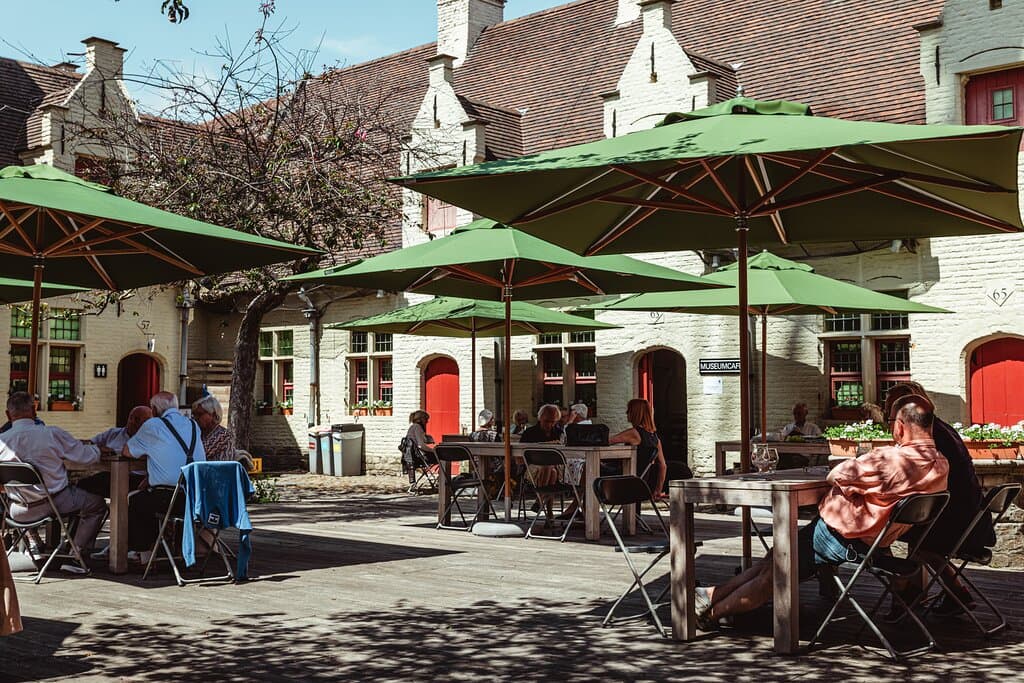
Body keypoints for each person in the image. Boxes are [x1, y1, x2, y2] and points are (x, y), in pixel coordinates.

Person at [694, 395, 949, 630]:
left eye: (892, 421)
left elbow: (835, 475)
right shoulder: (940, 464)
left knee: (778, 571)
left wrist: (852, 486)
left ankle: (711, 612)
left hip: (841, 539)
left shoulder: (891, 460)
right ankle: (710, 595)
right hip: (875, 541)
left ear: (901, 426)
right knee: (776, 557)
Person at [883, 382, 995, 618]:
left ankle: (903, 593)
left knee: (883, 531)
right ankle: (953, 592)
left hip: (956, 522)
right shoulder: (942, 428)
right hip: (974, 519)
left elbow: (913, 478)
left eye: (891, 413)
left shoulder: (927, 439)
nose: (887, 417)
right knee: (917, 532)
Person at [0, 391, 107, 556]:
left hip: (16, 510)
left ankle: (40, 543)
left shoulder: (2, 441)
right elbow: (85, 457)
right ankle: (76, 553)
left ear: (8, 414)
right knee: (96, 504)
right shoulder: (51, 433)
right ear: (34, 410)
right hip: (54, 503)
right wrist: (97, 449)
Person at [122, 391, 207, 562]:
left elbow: (127, 451)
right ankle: (166, 550)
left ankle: (144, 555)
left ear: (153, 410)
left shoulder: (154, 425)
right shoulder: (193, 425)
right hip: (197, 497)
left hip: (171, 498)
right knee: (149, 496)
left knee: (136, 500)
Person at [78, 405, 154, 498]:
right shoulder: (114, 433)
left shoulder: (152, 439)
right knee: (82, 485)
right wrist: (96, 447)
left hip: (136, 477)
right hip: (109, 473)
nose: (132, 421)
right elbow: (91, 442)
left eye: (137, 419)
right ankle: (99, 511)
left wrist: (113, 451)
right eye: (131, 418)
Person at [610, 398, 667, 499]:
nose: (626, 413)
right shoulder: (655, 438)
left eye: (628, 410)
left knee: (588, 473)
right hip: (642, 482)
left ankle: (582, 508)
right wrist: (658, 490)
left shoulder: (634, 433)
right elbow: (663, 466)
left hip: (625, 480)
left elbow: (608, 441)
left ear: (634, 413)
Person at [192, 395, 238, 461]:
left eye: (200, 414)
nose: (196, 418)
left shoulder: (222, 435)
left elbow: (198, 454)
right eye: (194, 415)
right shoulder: (201, 433)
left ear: (213, 415)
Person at [402, 410, 436, 484]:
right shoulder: (418, 428)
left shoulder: (412, 427)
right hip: (420, 458)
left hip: (413, 457)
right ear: (422, 419)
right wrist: (433, 450)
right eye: (426, 419)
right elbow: (421, 445)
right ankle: (443, 482)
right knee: (443, 458)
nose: (427, 422)